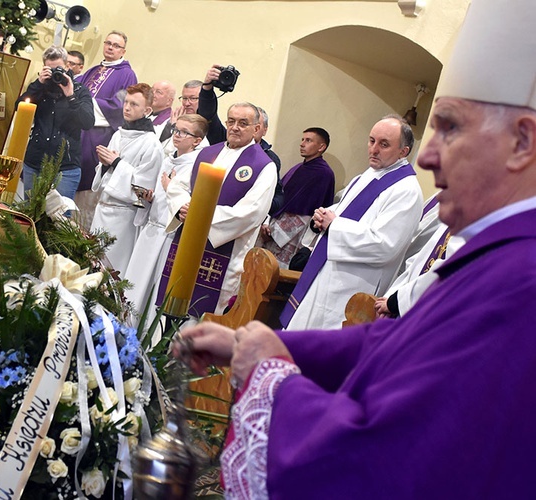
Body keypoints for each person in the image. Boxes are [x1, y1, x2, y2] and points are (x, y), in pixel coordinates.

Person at [174, 0, 536, 497]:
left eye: (450, 128)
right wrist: (255, 344)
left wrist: (271, 377)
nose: (428, 156)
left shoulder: (522, 277)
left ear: (521, 142)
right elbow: (396, 343)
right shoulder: (502, 252)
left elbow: (399, 451)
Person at [281, 114, 423, 330]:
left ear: (404, 152)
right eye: (372, 140)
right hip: (326, 271)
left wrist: (334, 225)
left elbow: (384, 246)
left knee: (321, 346)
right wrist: (324, 215)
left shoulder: (406, 190)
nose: (373, 149)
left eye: (384, 144)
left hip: (350, 286)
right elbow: (345, 209)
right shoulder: (368, 175)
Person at [158, 103, 278, 315]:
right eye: (231, 121)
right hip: (186, 240)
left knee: (202, 313)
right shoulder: (207, 153)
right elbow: (178, 185)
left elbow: (252, 212)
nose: (235, 127)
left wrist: (200, 216)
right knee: (170, 306)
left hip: (224, 251)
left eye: (243, 123)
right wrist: (181, 207)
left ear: (256, 128)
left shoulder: (264, 166)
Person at [124, 114, 208, 314]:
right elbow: (160, 196)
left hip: (168, 236)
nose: (176, 135)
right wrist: (151, 198)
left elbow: (188, 206)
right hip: (151, 230)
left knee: (153, 287)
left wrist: (170, 188)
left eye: (183, 132)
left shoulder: (197, 168)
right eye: (175, 130)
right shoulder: (168, 159)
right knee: (135, 283)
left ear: (197, 140)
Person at [90, 83, 164, 276]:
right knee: (91, 264)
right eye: (126, 102)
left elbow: (143, 190)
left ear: (147, 110)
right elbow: (104, 176)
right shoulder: (118, 133)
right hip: (102, 210)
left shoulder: (151, 144)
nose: (127, 107)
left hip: (123, 218)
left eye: (134, 104)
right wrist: (106, 165)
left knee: (111, 271)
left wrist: (116, 163)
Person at [74, 31, 138, 228]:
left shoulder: (127, 75)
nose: (110, 47)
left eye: (116, 45)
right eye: (108, 43)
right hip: (78, 133)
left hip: (98, 137)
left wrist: (86, 104)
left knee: (84, 199)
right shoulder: (93, 70)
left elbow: (119, 106)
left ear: (123, 51)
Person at [17, 46, 94, 200]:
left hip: (65, 167)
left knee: (59, 218)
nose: (54, 73)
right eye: (49, 69)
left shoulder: (79, 91)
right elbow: (19, 108)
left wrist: (70, 96)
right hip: (35, 162)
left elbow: (87, 122)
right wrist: (38, 84)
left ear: (67, 66)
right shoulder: (39, 88)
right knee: (29, 215)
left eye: (58, 68)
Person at [259, 127, 335, 268]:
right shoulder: (298, 168)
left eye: (308, 140)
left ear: (321, 147)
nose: (302, 144)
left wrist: (275, 233)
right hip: (273, 226)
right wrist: (267, 223)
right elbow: (279, 196)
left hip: (293, 236)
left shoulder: (324, 174)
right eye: (302, 139)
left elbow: (310, 210)